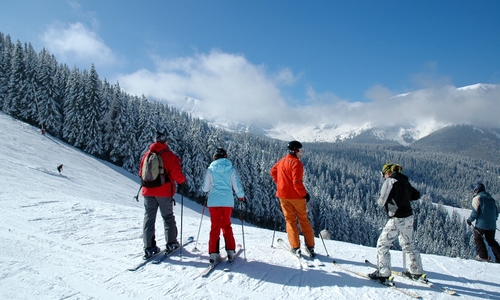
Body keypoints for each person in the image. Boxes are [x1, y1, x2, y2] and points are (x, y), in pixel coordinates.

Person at [369, 163, 424, 283]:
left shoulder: (390, 181)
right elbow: (416, 195)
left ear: (388, 172)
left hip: (397, 218)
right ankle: (416, 271)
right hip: (409, 217)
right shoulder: (404, 181)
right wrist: (403, 197)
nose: (383, 177)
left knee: (382, 244)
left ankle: (383, 273)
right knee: (408, 244)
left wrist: (391, 200)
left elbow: (381, 201)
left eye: (383, 174)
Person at [138, 131, 186, 259]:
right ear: (165, 141)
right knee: (168, 217)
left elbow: (140, 172)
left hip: (148, 191)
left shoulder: (146, 155)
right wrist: (182, 181)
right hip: (164, 192)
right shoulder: (169, 155)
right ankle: (171, 243)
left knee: (149, 218)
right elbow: (176, 173)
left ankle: (149, 247)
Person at [270, 141, 315, 257]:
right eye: (300, 151)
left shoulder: (282, 161)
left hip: (283, 196)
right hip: (296, 197)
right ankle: (310, 246)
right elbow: (297, 183)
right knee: (303, 219)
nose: (301, 153)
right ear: (295, 151)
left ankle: (295, 247)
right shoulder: (296, 163)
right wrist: (305, 194)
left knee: (290, 220)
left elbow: (272, 172)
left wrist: (280, 183)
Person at [202, 148, 245, 264]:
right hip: (227, 202)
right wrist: (241, 196)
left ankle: (213, 254)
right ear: (225, 156)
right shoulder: (231, 169)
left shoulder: (210, 169)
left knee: (215, 227)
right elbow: (237, 185)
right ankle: (230, 251)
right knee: (226, 225)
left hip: (213, 202)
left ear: (215, 157)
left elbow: (205, 188)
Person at [467, 182, 500, 263]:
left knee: (478, 238)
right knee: (491, 241)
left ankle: (483, 256)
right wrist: (492, 221)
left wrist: (469, 220)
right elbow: (496, 213)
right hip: (492, 225)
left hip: (481, 224)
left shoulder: (477, 198)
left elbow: (475, 212)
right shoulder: (491, 199)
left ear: (476, 190)